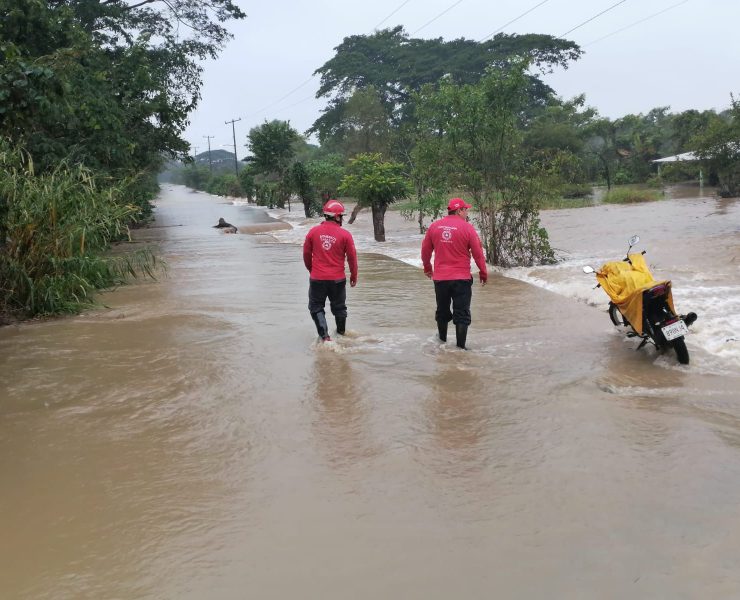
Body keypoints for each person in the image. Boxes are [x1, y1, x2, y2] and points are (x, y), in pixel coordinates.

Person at [421, 197, 488, 349]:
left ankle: (441, 342)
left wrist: (427, 267)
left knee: (442, 311)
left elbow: (425, 250)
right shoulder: (468, 228)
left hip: (440, 279)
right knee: (462, 313)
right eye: (466, 210)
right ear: (459, 210)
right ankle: (460, 348)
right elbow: (478, 253)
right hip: (462, 279)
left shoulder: (435, 226)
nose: (467, 213)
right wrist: (483, 272)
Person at [303, 199, 358, 342]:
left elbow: (306, 255)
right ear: (337, 217)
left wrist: (312, 270)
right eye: (342, 216)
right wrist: (354, 275)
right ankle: (341, 335)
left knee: (316, 307)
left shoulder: (313, 232)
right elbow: (352, 258)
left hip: (317, 279)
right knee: (339, 308)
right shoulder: (345, 235)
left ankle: (325, 338)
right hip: (338, 280)